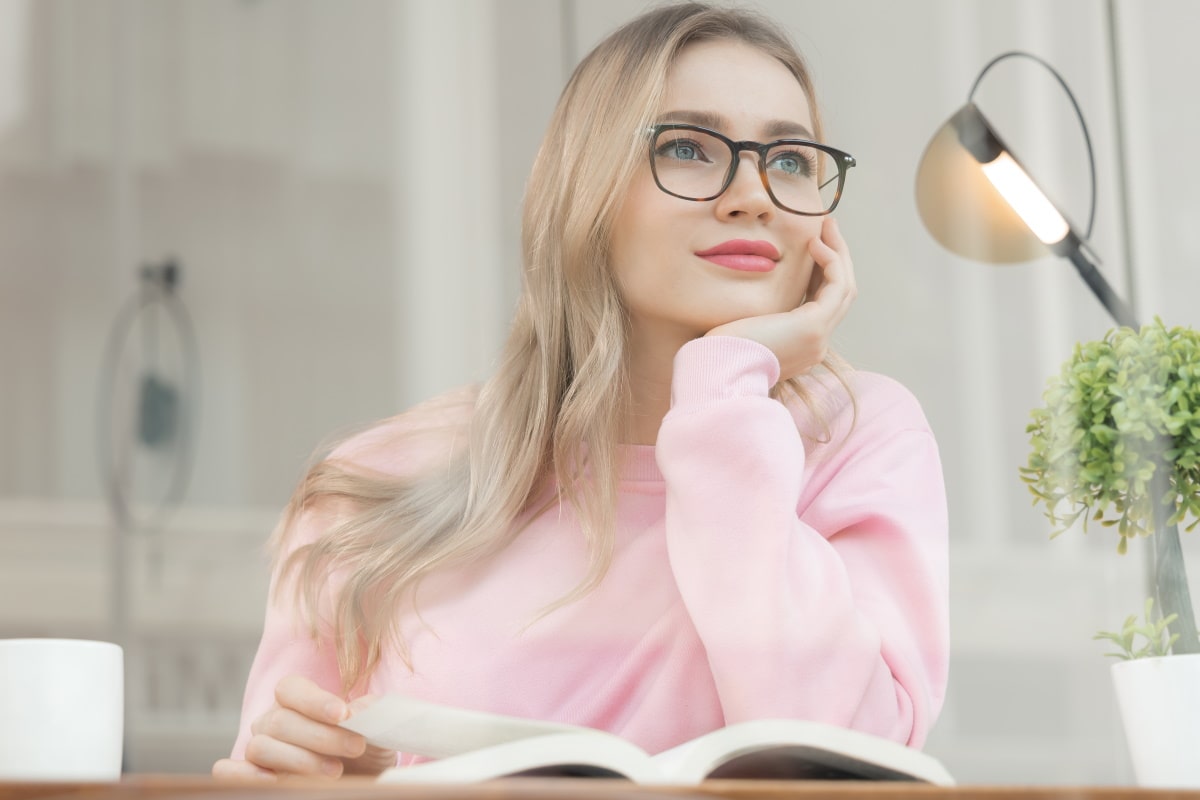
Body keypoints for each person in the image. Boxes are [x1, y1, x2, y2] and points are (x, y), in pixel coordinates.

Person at [212, 1, 949, 781]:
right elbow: (274, 771)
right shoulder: (375, 487)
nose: (755, 194)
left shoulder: (858, 438)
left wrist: (726, 394)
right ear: (587, 191)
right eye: (690, 148)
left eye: (792, 161)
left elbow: (849, 765)